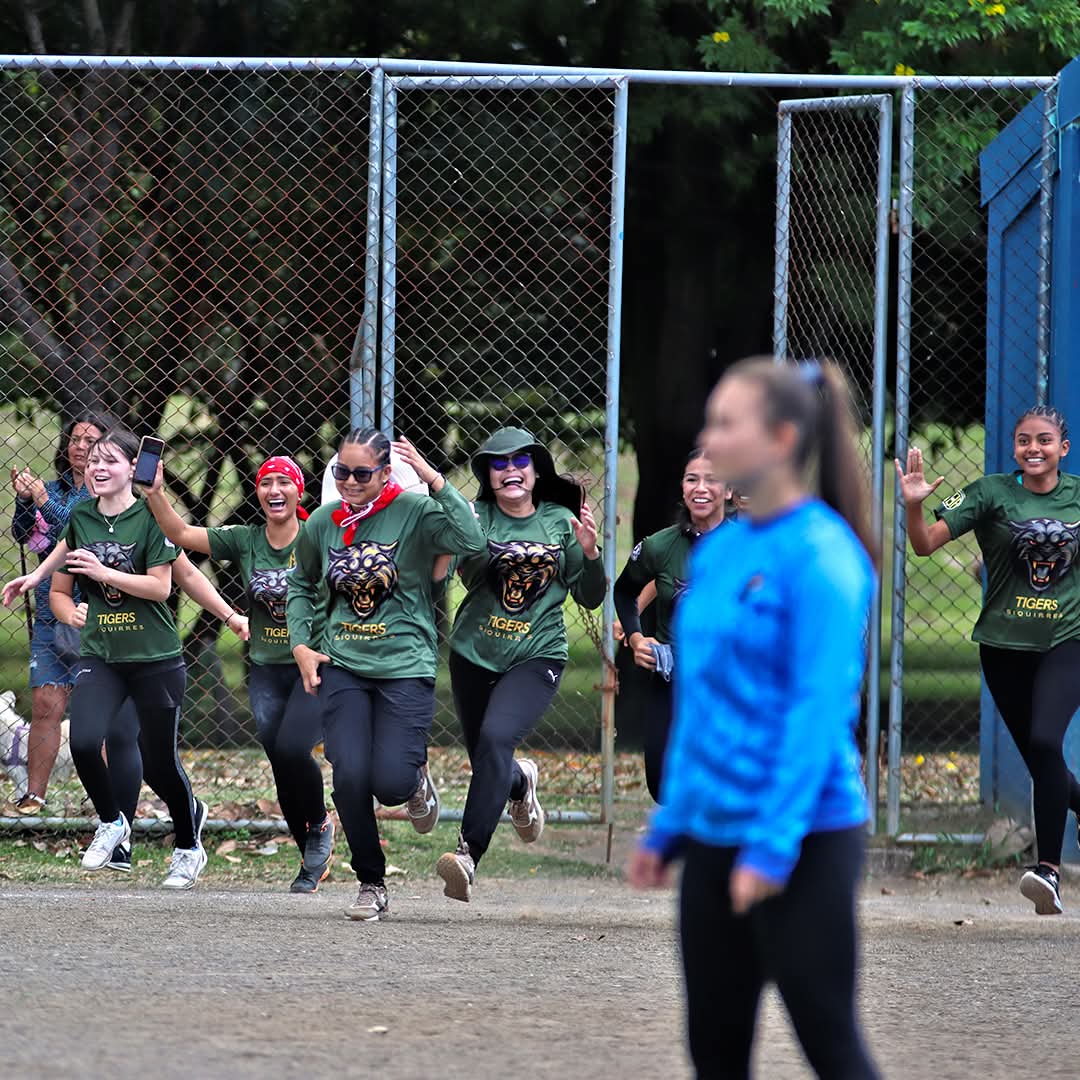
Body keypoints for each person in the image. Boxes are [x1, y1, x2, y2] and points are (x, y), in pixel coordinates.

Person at [628, 357, 880, 1080]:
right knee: (714, 1049)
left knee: (829, 1043)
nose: (708, 438)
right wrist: (672, 824)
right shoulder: (722, 552)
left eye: (725, 423)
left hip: (803, 837)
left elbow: (816, 718)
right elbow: (701, 701)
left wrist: (771, 848)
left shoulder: (826, 556)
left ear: (781, 438)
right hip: (712, 834)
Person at [286, 427, 486, 921]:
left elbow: (471, 538)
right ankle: (371, 882)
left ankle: (414, 782)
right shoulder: (324, 522)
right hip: (343, 665)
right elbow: (301, 583)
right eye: (341, 472)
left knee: (391, 783)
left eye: (361, 473)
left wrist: (433, 479)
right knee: (350, 775)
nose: (350, 482)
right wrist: (302, 646)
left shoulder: (415, 512)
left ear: (384, 473)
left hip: (405, 665)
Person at [896, 404, 1080, 915]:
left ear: (1063, 448)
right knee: (1043, 760)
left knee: (1045, 742)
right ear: (1014, 448)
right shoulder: (987, 492)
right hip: (1003, 649)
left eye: (1044, 440)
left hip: (1068, 642)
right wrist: (913, 506)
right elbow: (924, 545)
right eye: (1024, 440)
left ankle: (1048, 872)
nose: (1033, 448)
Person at [17, 427, 210, 888]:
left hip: (154, 657)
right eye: (93, 461)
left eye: (109, 461)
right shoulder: (81, 515)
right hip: (101, 653)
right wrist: (38, 583)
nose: (97, 467)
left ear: (132, 469)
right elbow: (63, 561)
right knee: (84, 742)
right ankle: (113, 822)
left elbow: (161, 587)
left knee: (159, 763)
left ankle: (188, 846)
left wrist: (104, 573)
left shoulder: (152, 518)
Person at [144, 454, 335, 894]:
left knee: (293, 748)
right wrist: (154, 492)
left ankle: (320, 824)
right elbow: (179, 534)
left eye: (284, 483)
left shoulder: (318, 538)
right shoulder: (246, 540)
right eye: (266, 483)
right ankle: (309, 853)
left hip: (313, 664)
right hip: (265, 667)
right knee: (280, 762)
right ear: (258, 492)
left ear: (299, 492)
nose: (274, 490)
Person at [435, 427, 605, 902]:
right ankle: (520, 780)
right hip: (473, 653)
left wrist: (590, 553)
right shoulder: (478, 518)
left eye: (519, 462)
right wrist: (460, 537)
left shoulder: (560, 521)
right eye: (499, 463)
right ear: (488, 476)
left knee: (495, 739)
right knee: (488, 760)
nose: (510, 470)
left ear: (535, 471)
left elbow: (590, 597)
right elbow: (451, 577)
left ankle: (467, 855)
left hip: (537, 654)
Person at [613, 452, 731, 802]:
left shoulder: (749, 545)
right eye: (692, 479)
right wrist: (636, 638)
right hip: (672, 677)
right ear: (682, 487)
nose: (700, 488)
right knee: (661, 781)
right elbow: (624, 591)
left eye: (712, 479)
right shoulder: (661, 546)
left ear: (728, 490)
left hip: (728, 680)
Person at [8, 413, 107, 812]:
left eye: (90, 440)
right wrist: (24, 499)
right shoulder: (51, 488)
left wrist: (42, 502)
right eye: (75, 439)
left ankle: (101, 796)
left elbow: (78, 529)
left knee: (96, 709)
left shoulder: (107, 494)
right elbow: (22, 533)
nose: (80, 447)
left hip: (96, 612)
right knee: (46, 704)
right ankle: (34, 794)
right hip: (52, 611)